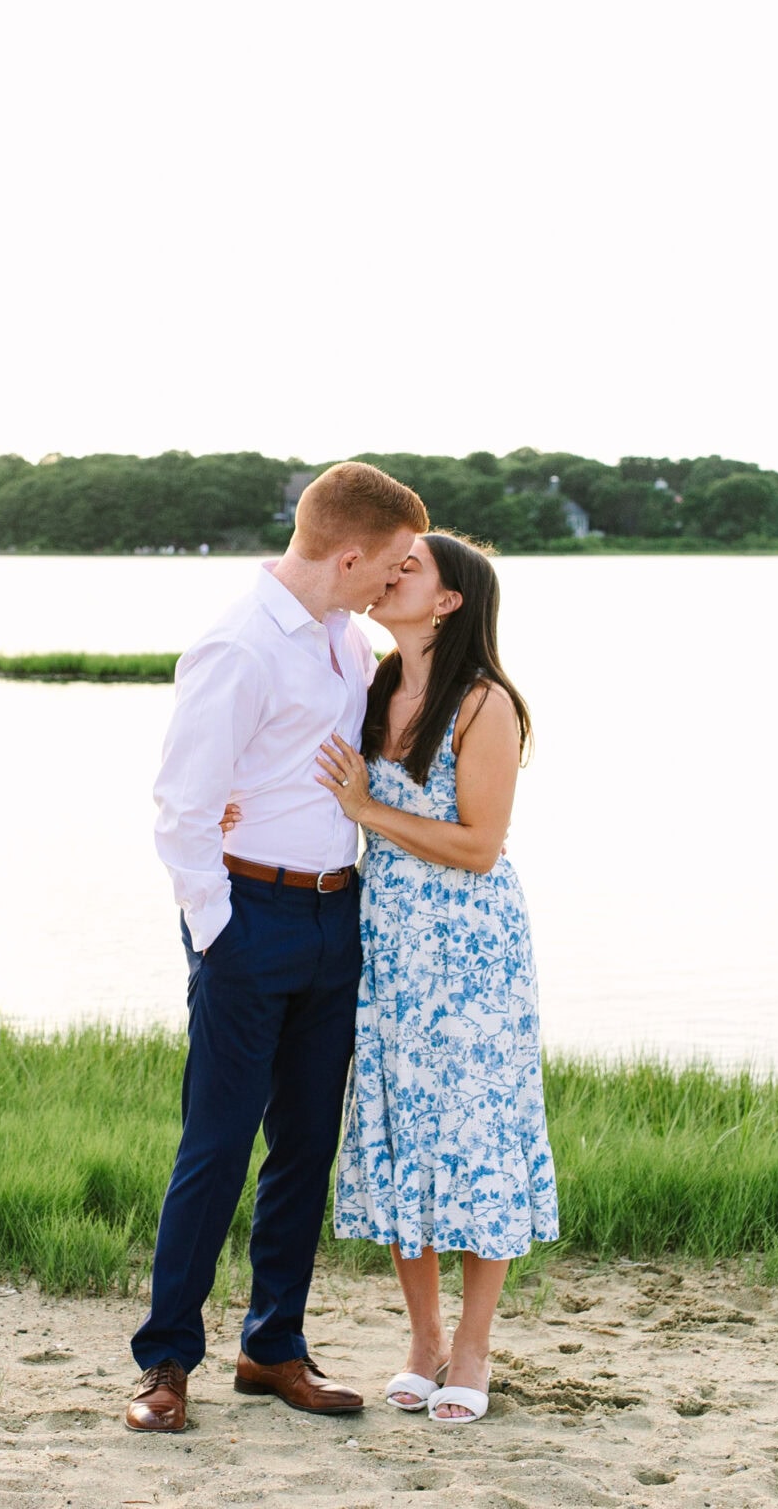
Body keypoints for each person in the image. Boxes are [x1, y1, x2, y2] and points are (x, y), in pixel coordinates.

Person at [127, 461, 430, 1435]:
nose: (392, 585)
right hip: (247, 920)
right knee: (214, 1150)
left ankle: (272, 1347)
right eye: (386, 569)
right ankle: (166, 1363)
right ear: (347, 556)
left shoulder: (344, 637)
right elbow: (179, 809)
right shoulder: (239, 647)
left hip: (334, 918)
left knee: (305, 1146)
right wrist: (218, 934)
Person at [316, 530, 557, 1425]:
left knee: (474, 1132)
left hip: (472, 953)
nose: (388, 574)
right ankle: (421, 1340)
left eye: (408, 567)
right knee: (398, 1124)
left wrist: (367, 811)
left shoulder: (483, 702)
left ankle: (473, 1347)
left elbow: (478, 845)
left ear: (448, 601)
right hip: (388, 943)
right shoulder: (375, 684)